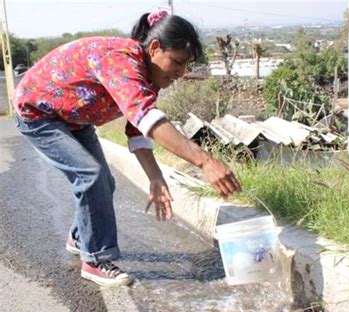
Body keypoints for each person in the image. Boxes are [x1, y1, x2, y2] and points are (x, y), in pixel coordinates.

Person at [13, 10, 241, 287]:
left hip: (75, 119)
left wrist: (155, 178)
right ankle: (95, 258)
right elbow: (147, 117)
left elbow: (138, 129)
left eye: (186, 65)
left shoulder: (149, 78)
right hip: (39, 114)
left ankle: (81, 237)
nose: (181, 73)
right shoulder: (120, 58)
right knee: (90, 176)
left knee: (104, 183)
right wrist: (204, 161)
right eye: (177, 62)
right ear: (155, 48)